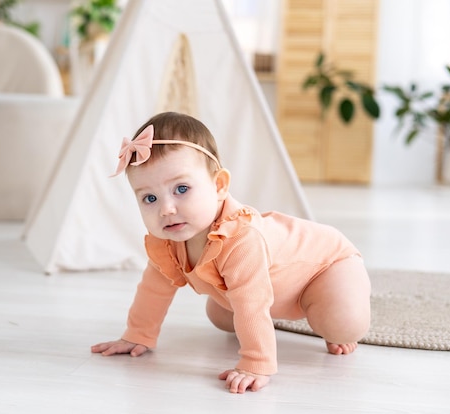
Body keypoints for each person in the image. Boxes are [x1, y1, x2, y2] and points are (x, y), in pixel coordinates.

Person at [92, 112, 371, 394]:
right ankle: (300, 310)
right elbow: (154, 289)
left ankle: (349, 297)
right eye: (149, 198)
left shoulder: (240, 239)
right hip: (272, 288)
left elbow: (251, 303)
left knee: (341, 324)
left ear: (219, 186)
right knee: (221, 316)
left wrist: (255, 363)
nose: (166, 209)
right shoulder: (169, 239)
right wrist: (138, 335)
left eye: (181, 189)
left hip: (325, 267)